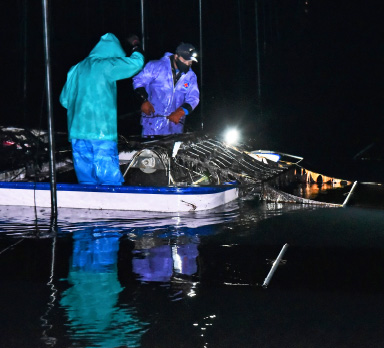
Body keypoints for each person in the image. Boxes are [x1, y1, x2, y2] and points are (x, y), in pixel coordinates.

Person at [60, 33, 144, 185]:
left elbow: (64, 100)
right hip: (101, 131)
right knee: (108, 176)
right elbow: (136, 63)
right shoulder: (106, 65)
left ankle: (89, 202)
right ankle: (112, 200)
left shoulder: (76, 68)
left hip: (77, 132)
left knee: (86, 177)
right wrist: (136, 45)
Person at [132, 42, 200, 137]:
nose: (187, 64)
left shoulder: (190, 76)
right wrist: (144, 100)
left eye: (190, 62)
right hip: (151, 124)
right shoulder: (156, 66)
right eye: (185, 61)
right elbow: (138, 81)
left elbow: (193, 98)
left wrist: (181, 111)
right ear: (176, 56)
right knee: (149, 151)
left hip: (175, 127)